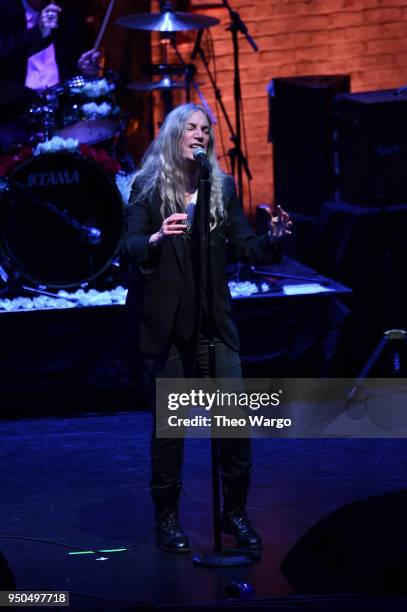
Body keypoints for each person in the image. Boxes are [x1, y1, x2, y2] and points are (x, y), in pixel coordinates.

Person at [124, 103, 292, 553]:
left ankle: (234, 512)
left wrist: (272, 240)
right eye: (191, 128)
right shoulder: (146, 188)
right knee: (171, 430)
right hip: (167, 330)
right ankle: (168, 520)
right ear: (175, 135)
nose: (199, 135)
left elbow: (246, 247)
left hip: (213, 328)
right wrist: (158, 238)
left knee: (234, 428)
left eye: (205, 130)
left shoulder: (220, 189)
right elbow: (129, 246)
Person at [0, 0, 100, 91]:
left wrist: (82, 68)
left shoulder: (64, 14)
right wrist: (39, 32)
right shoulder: (4, 10)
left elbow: (70, 65)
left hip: (58, 101)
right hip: (14, 105)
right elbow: (5, 51)